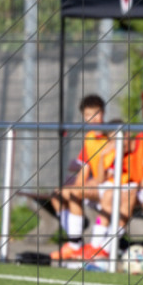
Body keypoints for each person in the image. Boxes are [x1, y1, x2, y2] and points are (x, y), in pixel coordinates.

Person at [49, 94, 107, 261]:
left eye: (96, 114)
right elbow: (85, 167)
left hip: (109, 186)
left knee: (75, 193)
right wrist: (76, 186)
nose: (92, 119)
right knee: (57, 195)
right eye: (88, 115)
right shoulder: (89, 137)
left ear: (103, 113)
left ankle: (75, 245)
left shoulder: (110, 135)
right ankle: (75, 239)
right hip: (94, 186)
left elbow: (108, 172)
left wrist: (79, 188)